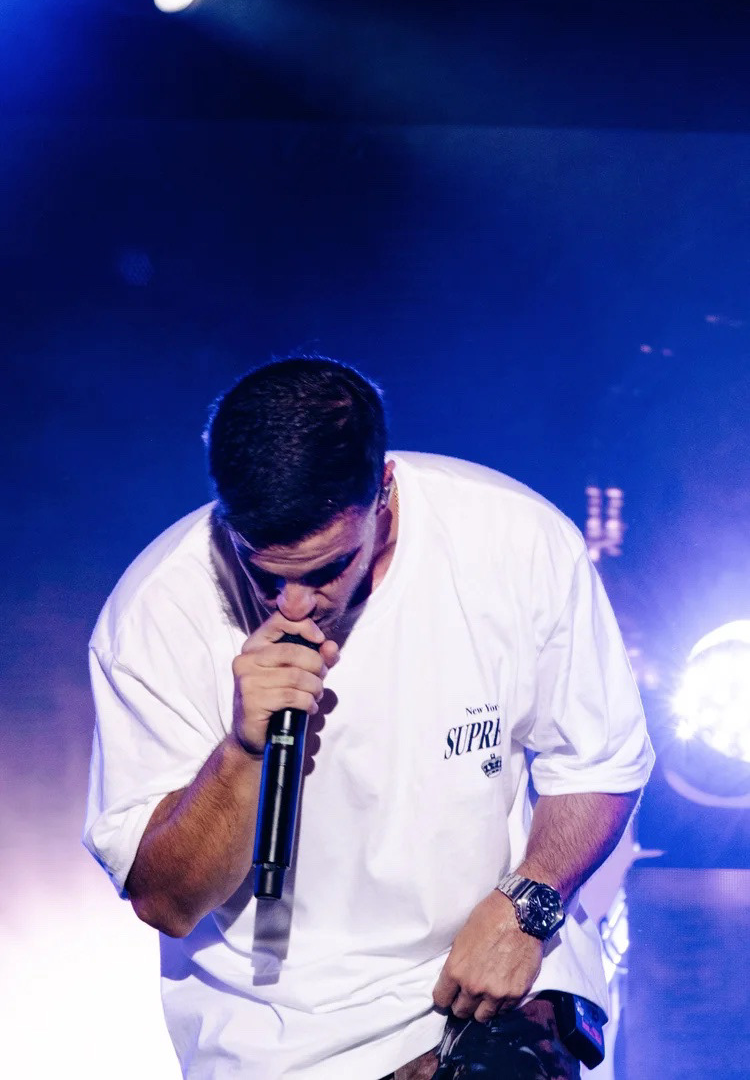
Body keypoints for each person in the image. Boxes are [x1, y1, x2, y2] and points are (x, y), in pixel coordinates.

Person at [83, 355, 653, 1079]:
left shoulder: (514, 540)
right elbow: (166, 901)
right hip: (283, 1036)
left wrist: (529, 901)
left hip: (494, 974)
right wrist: (244, 750)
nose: (295, 603)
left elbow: (600, 760)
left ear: (383, 489)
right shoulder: (154, 614)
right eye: (265, 574)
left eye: (326, 569)